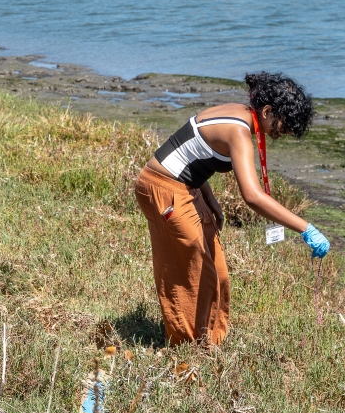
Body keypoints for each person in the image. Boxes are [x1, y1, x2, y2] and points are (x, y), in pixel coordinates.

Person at [135, 72, 330, 348]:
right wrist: (305, 228)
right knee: (192, 273)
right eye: (283, 126)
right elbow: (251, 196)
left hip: (188, 188)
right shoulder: (239, 130)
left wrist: (208, 197)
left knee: (218, 272)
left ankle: (210, 343)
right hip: (163, 189)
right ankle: (186, 349)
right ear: (267, 111)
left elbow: (191, 154)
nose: (282, 133)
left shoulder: (241, 114)